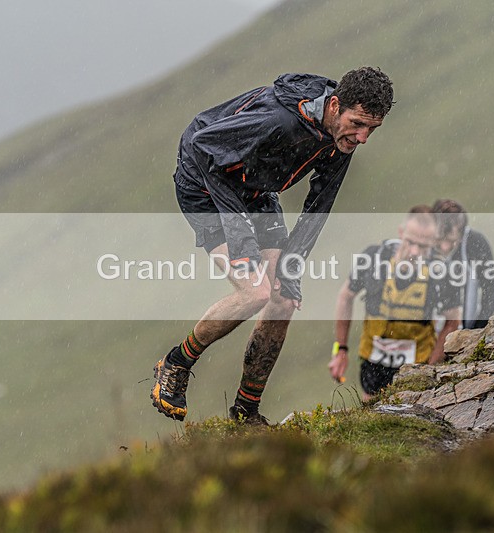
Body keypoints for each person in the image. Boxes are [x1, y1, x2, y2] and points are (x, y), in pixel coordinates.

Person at [151, 67, 394, 424]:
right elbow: (204, 149)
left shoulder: (341, 135)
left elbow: (318, 207)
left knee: (283, 295)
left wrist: (292, 265)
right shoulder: (277, 120)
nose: (363, 137)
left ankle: (246, 412)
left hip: (254, 189)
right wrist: (241, 238)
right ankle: (176, 362)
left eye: (372, 128)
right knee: (256, 292)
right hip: (204, 185)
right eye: (358, 124)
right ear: (335, 105)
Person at [329, 206, 462, 399]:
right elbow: (345, 296)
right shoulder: (373, 258)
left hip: (417, 365)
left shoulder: (444, 272)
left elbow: (453, 322)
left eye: (423, 246)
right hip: (373, 361)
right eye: (410, 242)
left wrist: (430, 369)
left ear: (433, 243)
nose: (415, 251)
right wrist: (340, 349)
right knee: (372, 417)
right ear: (401, 233)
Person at [431, 199, 494, 329]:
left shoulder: (474, 244)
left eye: (451, 241)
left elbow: (492, 289)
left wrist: (476, 330)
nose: (445, 247)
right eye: (440, 239)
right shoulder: (419, 243)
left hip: (462, 333)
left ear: (462, 234)